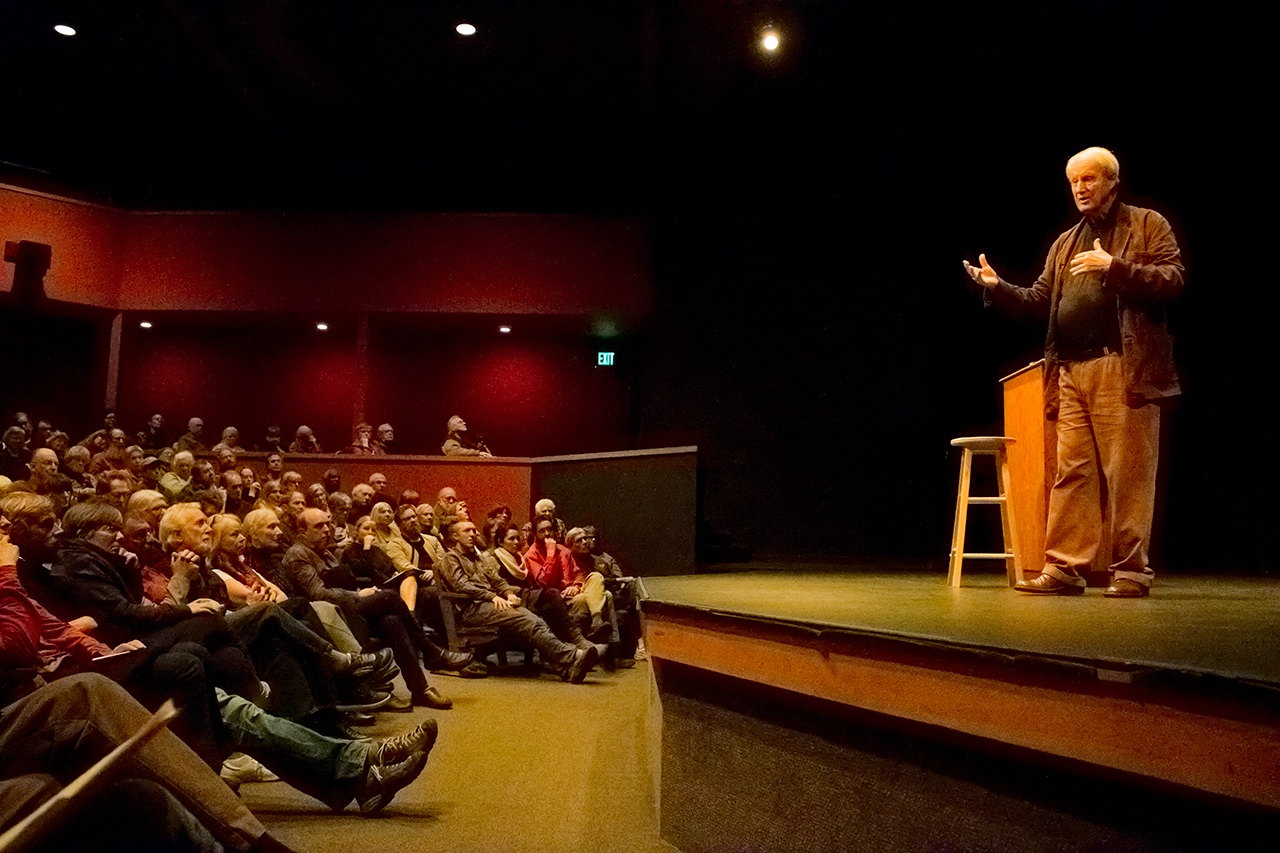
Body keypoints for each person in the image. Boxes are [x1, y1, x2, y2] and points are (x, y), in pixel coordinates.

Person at [963, 146, 1183, 599]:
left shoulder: (1145, 225)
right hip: (1069, 371)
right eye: (1074, 182)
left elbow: (1173, 278)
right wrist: (998, 288)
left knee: (1127, 473)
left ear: (1111, 182)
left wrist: (1115, 268)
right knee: (1072, 471)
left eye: (1089, 180)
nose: (1081, 189)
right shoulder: (1066, 242)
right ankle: (1065, 567)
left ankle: (1130, 571)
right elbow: (1040, 300)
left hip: (1123, 369)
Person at [441, 520, 598, 683]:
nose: (473, 534)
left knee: (535, 621)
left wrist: (508, 593)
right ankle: (573, 655)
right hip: (471, 608)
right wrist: (491, 596)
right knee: (528, 621)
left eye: (474, 530)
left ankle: (567, 670)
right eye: (467, 531)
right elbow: (461, 586)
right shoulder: (450, 558)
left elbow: (497, 580)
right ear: (455, 535)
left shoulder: (477, 558)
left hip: (492, 604)